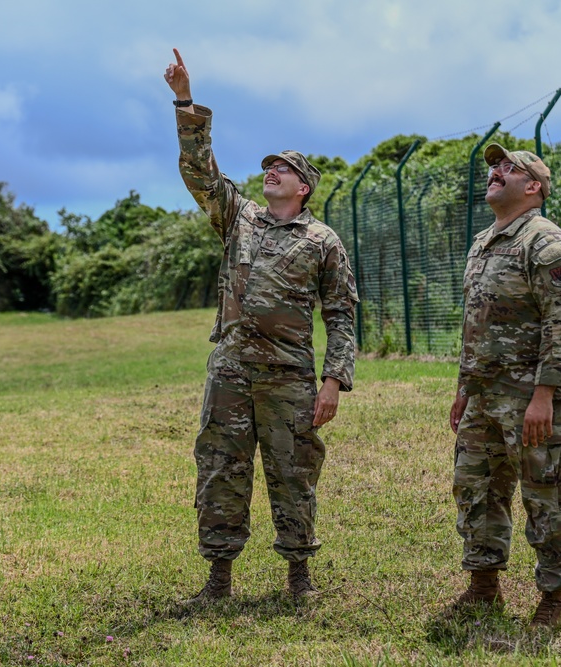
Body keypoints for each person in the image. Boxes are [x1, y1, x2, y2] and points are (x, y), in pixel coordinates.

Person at [164, 48, 358, 601]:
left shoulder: (323, 242)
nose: (272, 170)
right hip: (229, 372)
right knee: (220, 470)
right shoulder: (238, 217)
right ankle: (218, 579)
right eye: (270, 164)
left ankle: (299, 577)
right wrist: (185, 100)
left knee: (293, 472)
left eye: (287, 168)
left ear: (304, 188)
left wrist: (333, 382)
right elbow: (199, 172)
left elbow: (342, 316)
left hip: (288, 377)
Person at [448, 143, 561, 628]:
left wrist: (545, 395)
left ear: (534, 187)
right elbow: (474, 324)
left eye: (509, 167)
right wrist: (464, 387)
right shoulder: (483, 242)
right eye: (492, 167)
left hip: (531, 395)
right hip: (484, 396)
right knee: (477, 489)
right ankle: (484, 587)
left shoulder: (545, 243)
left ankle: (554, 599)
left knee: (546, 493)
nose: (495, 172)